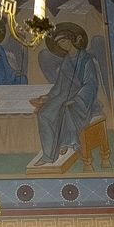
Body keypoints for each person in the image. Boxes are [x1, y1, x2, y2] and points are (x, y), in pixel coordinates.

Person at [30, 23, 101, 171]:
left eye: (63, 41)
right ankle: (48, 155)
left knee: (64, 110)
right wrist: (48, 97)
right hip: (63, 96)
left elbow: (91, 84)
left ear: (71, 39)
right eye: (59, 44)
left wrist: (77, 99)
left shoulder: (86, 59)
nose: (62, 45)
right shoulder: (66, 61)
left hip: (82, 100)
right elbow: (59, 85)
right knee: (43, 114)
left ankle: (66, 142)